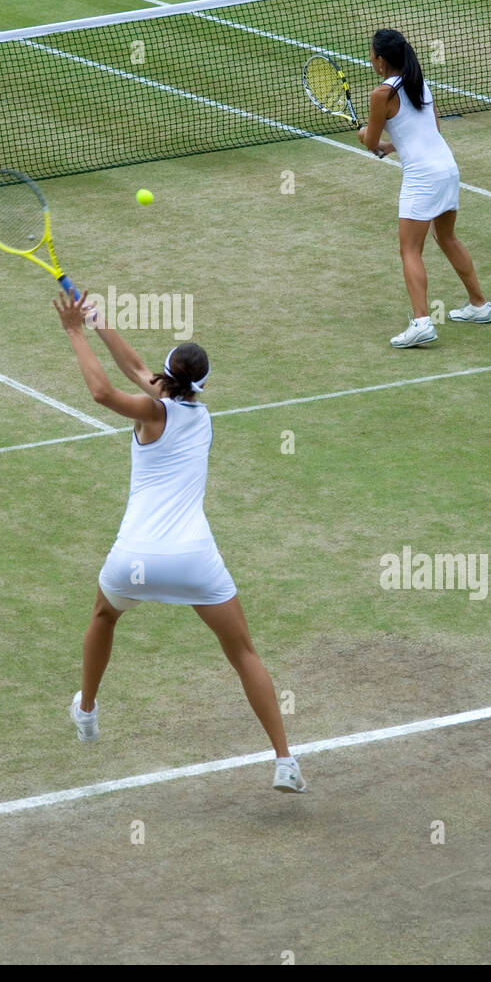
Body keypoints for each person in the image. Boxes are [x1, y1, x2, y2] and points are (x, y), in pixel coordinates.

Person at [53, 293, 306, 794]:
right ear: (199, 384)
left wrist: (75, 333)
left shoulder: (151, 411)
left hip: (134, 562)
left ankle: (86, 709)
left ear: (167, 376)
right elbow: (137, 367)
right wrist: (101, 322)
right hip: (195, 563)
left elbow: (106, 392)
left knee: (104, 616)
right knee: (244, 654)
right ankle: (285, 762)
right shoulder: (202, 416)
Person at [357, 28, 491, 349]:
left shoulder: (380, 95)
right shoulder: (420, 82)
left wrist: (366, 137)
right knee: (445, 237)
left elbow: (371, 142)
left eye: (372, 54)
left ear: (380, 61)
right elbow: (429, 129)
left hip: (422, 178)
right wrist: (392, 147)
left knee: (410, 250)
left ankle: (421, 322)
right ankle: (478, 305)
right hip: (447, 168)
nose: (370, 59)